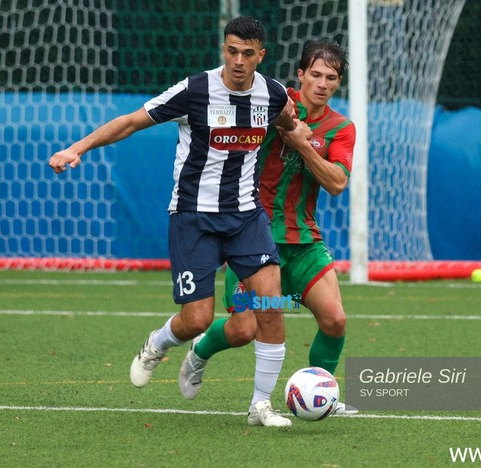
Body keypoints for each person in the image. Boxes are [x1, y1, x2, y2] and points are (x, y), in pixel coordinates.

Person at [48, 16, 297, 427]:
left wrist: (299, 130)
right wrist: (78, 148)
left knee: (268, 306)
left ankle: (260, 406)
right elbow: (130, 121)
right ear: (224, 49)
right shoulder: (195, 89)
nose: (238, 61)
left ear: (261, 56)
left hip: (246, 216)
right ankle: (157, 344)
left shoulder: (271, 94)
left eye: (248, 54)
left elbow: (288, 119)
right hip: (193, 216)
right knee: (197, 319)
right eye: (232, 50)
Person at [178, 41, 358, 415]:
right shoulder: (272, 101)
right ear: (302, 74)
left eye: (331, 78)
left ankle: (319, 393)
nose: (322, 84)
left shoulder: (341, 128)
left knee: (335, 319)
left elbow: (337, 183)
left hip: (304, 242)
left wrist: (303, 144)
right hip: (253, 237)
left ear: (338, 83)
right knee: (243, 329)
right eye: (316, 75)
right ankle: (199, 352)